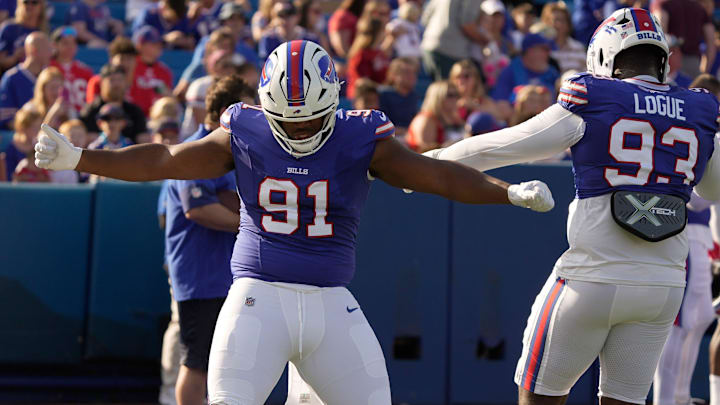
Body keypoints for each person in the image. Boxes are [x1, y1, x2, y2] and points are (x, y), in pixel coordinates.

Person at [33, 40, 555, 404]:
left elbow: (437, 176)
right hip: (258, 298)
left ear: (334, 102)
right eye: (289, 117)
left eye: (311, 117)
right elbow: (165, 158)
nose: (300, 127)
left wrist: (506, 192)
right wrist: (81, 158)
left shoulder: (359, 137)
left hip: (331, 303)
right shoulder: (245, 130)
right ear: (266, 107)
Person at [415, 8, 720, 405]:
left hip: (592, 278)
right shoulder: (698, 109)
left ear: (606, 56)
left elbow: (503, 145)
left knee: (540, 398)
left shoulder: (596, 97)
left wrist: (426, 163)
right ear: (661, 59)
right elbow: (713, 188)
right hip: (661, 287)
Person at [165, 75, 254, 405]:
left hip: (226, 278)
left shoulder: (232, 154)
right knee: (198, 362)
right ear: (224, 113)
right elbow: (199, 210)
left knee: (228, 364)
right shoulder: (197, 151)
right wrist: (250, 227)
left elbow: (229, 201)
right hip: (201, 278)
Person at [652, 74, 720, 405]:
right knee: (678, 322)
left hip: (702, 233)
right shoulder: (692, 131)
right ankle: (667, 400)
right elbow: (695, 197)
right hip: (684, 228)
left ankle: (678, 395)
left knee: (701, 317)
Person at [80, 64, 148, 143]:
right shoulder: (90, 111)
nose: (117, 84)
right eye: (112, 80)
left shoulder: (135, 112)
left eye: (120, 80)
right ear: (102, 83)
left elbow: (143, 139)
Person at [0, 31, 52, 129]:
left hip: (47, 135)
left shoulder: (49, 75)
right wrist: (32, 132)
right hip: (24, 137)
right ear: (34, 51)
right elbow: (6, 118)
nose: (51, 53)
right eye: (48, 49)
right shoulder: (12, 77)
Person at [406, 80, 464, 153]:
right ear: (437, 97)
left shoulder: (454, 118)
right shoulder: (426, 118)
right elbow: (424, 150)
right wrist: (449, 146)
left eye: (457, 95)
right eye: (450, 95)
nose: (455, 99)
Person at [130, 26, 173, 117]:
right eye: (153, 43)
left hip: (157, 118)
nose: (159, 47)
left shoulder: (164, 70)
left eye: (160, 43)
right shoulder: (130, 66)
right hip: (132, 117)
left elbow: (168, 97)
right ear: (140, 45)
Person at [49, 26, 94, 114]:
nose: (70, 46)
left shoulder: (85, 70)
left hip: (81, 116)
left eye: (73, 43)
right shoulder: (48, 68)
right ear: (55, 45)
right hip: (56, 115)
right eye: (65, 43)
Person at [0, 0, 46, 72]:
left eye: (34, 2)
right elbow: (1, 60)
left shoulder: (43, 33)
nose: (29, 6)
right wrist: (15, 57)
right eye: (26, 2)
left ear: (41, 7)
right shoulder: (9, 28)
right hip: (10, 77)